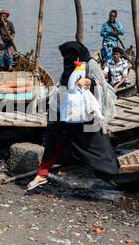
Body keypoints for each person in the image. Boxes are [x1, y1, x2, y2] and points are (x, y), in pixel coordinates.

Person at [27, 41, 119, 191]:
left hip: (87, 113)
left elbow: (101, 88)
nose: (67, 59)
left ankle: (109, 173)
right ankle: (42, 174)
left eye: (69, 56)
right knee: (54, 136)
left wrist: (88, 82)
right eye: (64, 56)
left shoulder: (91, 64)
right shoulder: (70, 65)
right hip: (68, 112)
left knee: (96, 146)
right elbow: (64, 86)